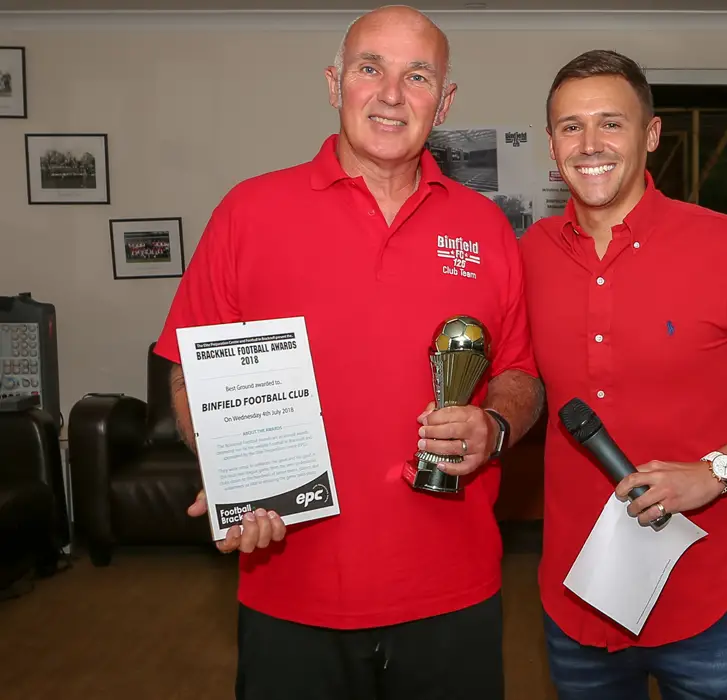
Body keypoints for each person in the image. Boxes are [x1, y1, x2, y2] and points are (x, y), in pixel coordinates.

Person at [153, 6, 543, 699]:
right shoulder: (248, 212)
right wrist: (228, 463)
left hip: (453, 592)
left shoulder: (485, 227)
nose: (391, 95)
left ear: (443, 101)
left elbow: (519, 371)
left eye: (416, 76)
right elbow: (188, 367)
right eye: (371, 69)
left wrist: (497, 424)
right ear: (336, 83)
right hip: (291, 589)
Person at [518, 49, 727, 699]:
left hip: (704, 599)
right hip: (577, 601)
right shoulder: (527, 256)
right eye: (570, 126)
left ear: (651, 135)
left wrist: (715, 472)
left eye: (612, 122)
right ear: (551, 145)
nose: (590, 143)